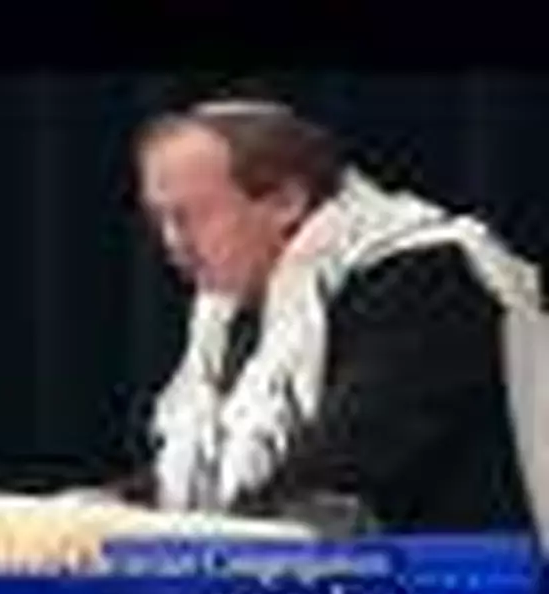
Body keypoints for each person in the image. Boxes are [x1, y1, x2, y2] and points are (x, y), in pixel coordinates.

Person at [111, 96, 542, 536]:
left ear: (286, 201)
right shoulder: (234, 311)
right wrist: (103, 509)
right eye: (160, 219)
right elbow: (214, 474)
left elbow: (338, 468)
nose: (172, 241)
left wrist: (144, 525)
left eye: (191, 215)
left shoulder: (424, 277)